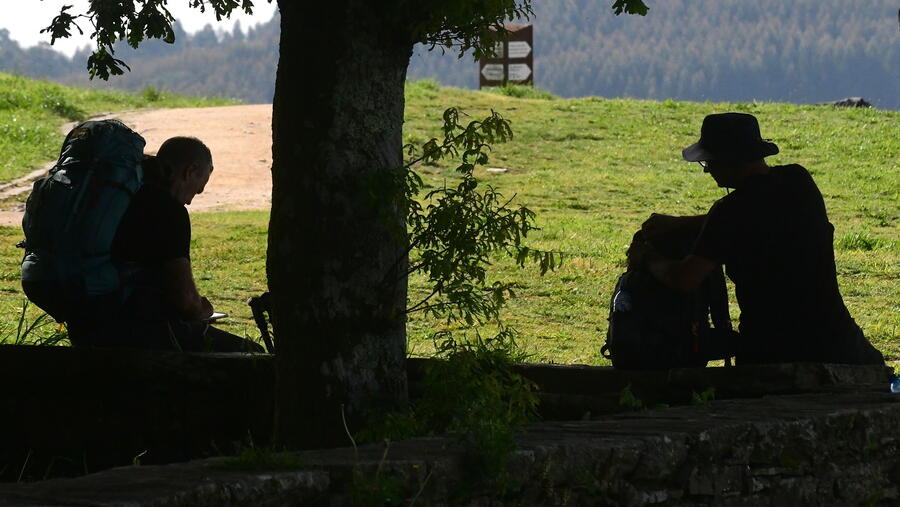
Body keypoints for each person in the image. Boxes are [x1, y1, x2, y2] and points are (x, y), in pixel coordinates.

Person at [628, 112, 883, 365]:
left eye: (711, 162)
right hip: (836, 339)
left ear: (731, 160)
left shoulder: (728, 213)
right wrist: (681, 223)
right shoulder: (798, 181)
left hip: (771, 350)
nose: (708, 171)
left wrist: (647, 258)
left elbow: (684, 278)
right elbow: (753, 215)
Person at [100, 137, 262, 352]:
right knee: (252, 355)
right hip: (137, 329)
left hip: (90, 317)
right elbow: (185, 300)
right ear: (190, 170)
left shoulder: (120, 199)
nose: (190, 201)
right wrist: (201, 310)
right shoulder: (168, 210)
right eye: (198, 190)